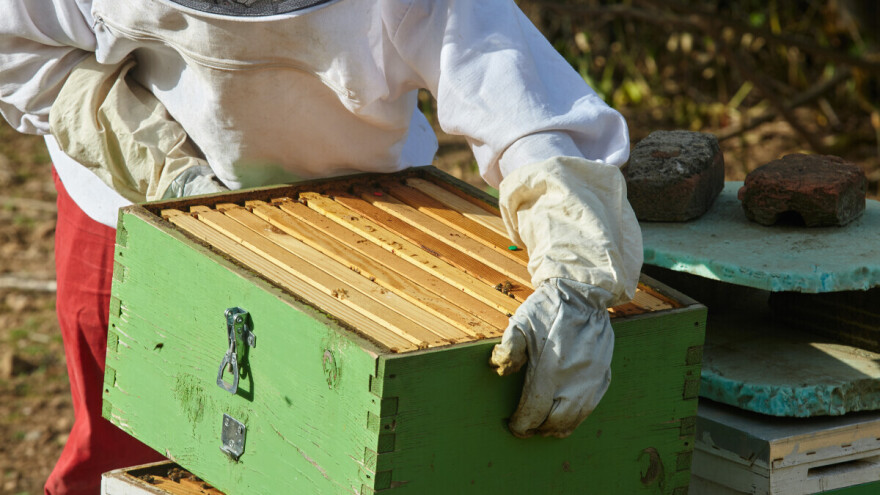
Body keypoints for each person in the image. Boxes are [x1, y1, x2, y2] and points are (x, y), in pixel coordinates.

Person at [0, 1, 643, 493]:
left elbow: (524, 107)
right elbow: (18, 45)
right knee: (123, 440)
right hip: (129, 204)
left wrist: (574, 274)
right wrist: (161, 167)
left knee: (320, 454)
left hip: (358, 223)